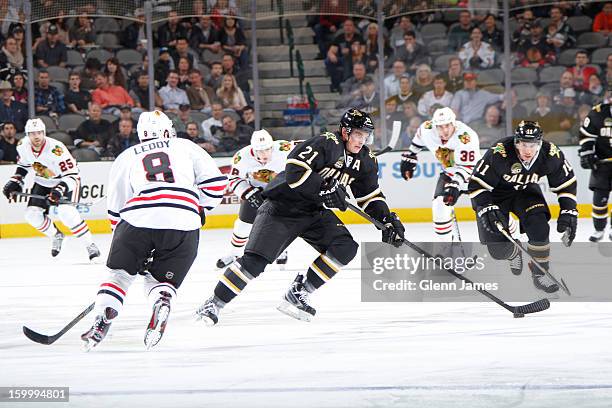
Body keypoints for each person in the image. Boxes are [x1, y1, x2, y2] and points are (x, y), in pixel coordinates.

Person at [195, 108, 405, 324]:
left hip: (313, 211)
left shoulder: (366, 159)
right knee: (255, 262)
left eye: (366, 135)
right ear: (345, 131)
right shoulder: (326, 142)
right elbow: (295, 169)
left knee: (345, 247)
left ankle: (299, 291)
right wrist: (323, 187)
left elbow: (369, 196)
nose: (362, 140)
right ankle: (214, 302)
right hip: (282, 206)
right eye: (358, 134)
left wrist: (386, 220)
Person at [81, 110, 227, 351]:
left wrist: (129, 245)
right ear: (168, 129)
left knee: (119, 275)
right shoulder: (185, 146)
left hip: (138, 218)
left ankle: (102, 318)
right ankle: (162, 300)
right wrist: (198, 207)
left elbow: (116, 207)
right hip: (184, 222)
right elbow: (216, 185)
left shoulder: (126, 156)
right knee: (161, 282)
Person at [468, 121, 577, 293]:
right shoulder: (499, 152)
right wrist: (485, 206)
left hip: (525, 191)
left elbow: (566, 183)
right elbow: (476, 184)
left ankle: (540, 273)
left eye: (532, 145)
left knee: (539, 226)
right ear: (516, 142)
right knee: (498, 251)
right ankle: (514, 252)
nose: (528, 150)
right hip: (495, 196)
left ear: (539, 143)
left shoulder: (551, 153)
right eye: (523, 144)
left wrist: (569, 210)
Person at [2, 118, 101, 260]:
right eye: (32, 133)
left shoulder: (56, 149)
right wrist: (16, 181)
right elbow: (24, 165)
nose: (36, 136)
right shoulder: (22, 145)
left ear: (44, 133)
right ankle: (56, 235)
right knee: (31, 215)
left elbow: (72, 175)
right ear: (27, 135)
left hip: (66, 180)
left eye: (39, 133)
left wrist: (59, 190)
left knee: (66, 212)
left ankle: (89, 245)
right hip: (43, 179)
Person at [216, 130, 297, 268]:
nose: (264, 154)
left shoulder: (285, 148)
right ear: (253, 149)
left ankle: (281, 250)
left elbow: (309, 149)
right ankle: (234, 253)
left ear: (273, 146)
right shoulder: (241, 157)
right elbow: (234, 179)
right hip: (254, 191)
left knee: (280, 223)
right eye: (259, 150)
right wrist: (248, 193)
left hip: (280, 190)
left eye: (267, 149)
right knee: (242, 225)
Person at [400, 107, 480, 241]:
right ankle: (447, 248)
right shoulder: (427, 128)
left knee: (491, 211)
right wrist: (411, 155)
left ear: (453, 123)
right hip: (449, 174)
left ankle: (512, 236)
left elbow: (468, 167)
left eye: (447, 125)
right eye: (440, 127)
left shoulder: (466, 137)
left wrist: (456, 184)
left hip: (476, 176)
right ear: (434, 125)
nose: (444, 130)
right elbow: (418, 140)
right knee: (439, 207)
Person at [578, 101, 612, 242]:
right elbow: (586, 134)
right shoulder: (598, 113)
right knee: (599, 200)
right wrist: (587, 152)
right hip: (602, 164)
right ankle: (599, 229)